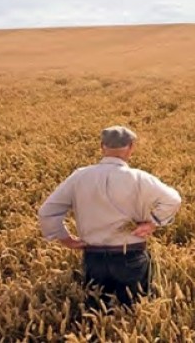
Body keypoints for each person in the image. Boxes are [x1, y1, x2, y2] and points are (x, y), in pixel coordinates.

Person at [38, 125, 182, 309]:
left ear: (102, 146)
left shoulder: (79, 177)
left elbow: (46, 211)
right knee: (134, 314)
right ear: (131, 147)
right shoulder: (140, 178)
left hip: (94, 257)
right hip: (131, 256)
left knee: (96, 313)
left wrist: (66, 240)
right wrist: (152, 223)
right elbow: (173, 199)